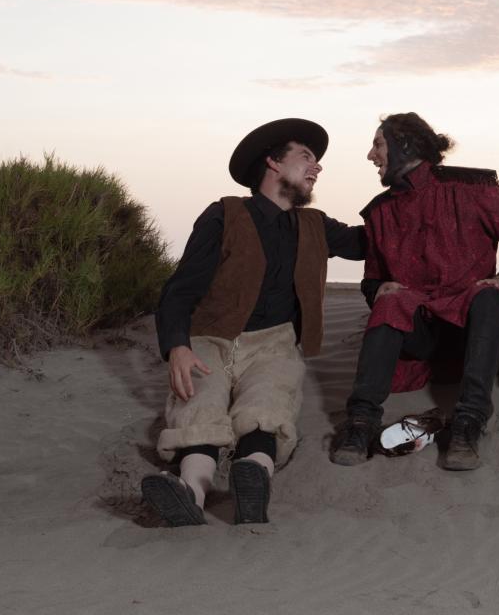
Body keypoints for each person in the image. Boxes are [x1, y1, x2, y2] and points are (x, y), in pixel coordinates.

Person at [144, 118, 365, 526]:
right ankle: (190, 491)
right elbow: (181, 287)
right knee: (200, 404)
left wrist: (410, 194)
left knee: (268, 405)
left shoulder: (316, 226)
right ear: (273, 163)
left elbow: (373, 241)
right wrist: (177, 345)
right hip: (209, 337)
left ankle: (254, 478)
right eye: (306, 157)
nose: (316, 167)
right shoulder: (224, 214)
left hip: (275, 342)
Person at [330, 112, 499, 471]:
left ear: (405, 145)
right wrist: (378, 288)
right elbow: (372, 280)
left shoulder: (475, 190)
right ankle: (360, 422)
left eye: (378, 144)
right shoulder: (381, 212)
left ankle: (469, 421)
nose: (371, 155)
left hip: (470, 330)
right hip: (420, 337)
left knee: (489, 295)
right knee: (390, 300)